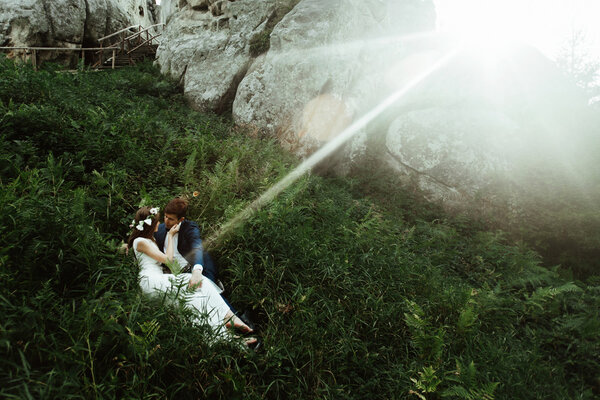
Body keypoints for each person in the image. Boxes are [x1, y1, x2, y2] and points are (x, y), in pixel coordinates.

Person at [127, 206, 256, 345]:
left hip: (164, 276)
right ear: (151, 225)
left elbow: (196, 247)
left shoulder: (152, 237)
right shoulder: (140, 241)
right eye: (159, 220)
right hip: (151, 281)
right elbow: (168, 260)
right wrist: (170, 236)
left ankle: (229, 319)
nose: (162, 223)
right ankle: (227, 338)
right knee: (193, 297)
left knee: (201, 284)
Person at [154, 198, 220, 286]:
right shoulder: (160, 229)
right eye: (165, 216)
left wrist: (197, 270)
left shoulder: (190, 228)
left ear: (181, 219)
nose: (166, 221)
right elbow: (144, 237)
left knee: (207, 294)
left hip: (196, 267)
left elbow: (197, 247)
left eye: (171, 219)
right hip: (174, 274)